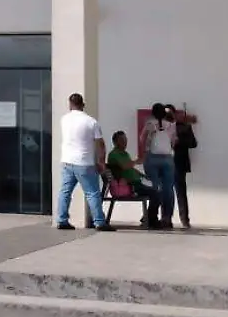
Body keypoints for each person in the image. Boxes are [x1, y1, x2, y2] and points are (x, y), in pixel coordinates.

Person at [55, 93, 113, 231]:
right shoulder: (91, 122)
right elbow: (100, 144)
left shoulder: (64, 119)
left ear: (70, 105)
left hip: (67, 161)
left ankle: (62, 220)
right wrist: (101, 162)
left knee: (65, 192)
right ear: (83, 105)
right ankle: (99, 222)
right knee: (92, 193)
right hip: (84, 162)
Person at [107, 130, 161, 228]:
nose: (125, 142)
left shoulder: (125, 154)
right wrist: (136, 161)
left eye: (125, 139)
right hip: (130, 185)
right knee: (155, 193)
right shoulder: (114, 154)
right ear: (115, 142)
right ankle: (151, 219)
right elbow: (124, 166)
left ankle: (148, 217)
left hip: (136, 182)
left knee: (157, 190)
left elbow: (130, 168)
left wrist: (142, 175)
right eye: (122, 140)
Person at [141, 103, 178, 228]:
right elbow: (173, 142)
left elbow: (143, 139)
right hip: (167, 158)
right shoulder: (171, 125)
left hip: (152, 158)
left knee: (155, 188)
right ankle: (167, 218)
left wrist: (145, 152)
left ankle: (152, 216)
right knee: (168, 189)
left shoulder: (150, 124)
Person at [168, 104, 198, 229]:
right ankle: (164, 218)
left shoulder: (184, 127)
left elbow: (193, 143)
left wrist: (179, 141)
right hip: (164, 162)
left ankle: (185, 219)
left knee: (180, 192)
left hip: (179, 163)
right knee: (163, 191)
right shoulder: (158, 127)